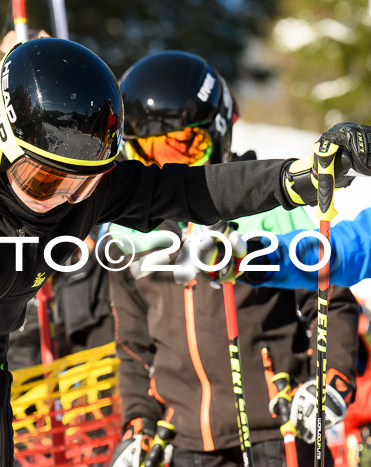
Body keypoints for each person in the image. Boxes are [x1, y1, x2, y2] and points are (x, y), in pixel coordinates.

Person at [0, 38, 369, 466]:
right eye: (41, 181)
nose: (59, 201)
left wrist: (296, 178)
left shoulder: (91, 188)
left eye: (80, 187)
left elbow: (193, 190)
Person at [106, 50, 360, 467]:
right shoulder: (127, 233)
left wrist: (329, 379)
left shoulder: (273, 207)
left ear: (219, 132)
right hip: (184, 445)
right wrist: (139, 423)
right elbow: (133, 347)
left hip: (277, 435)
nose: (170, 169)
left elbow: (330, 299)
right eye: (149, 154)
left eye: (185, 145)